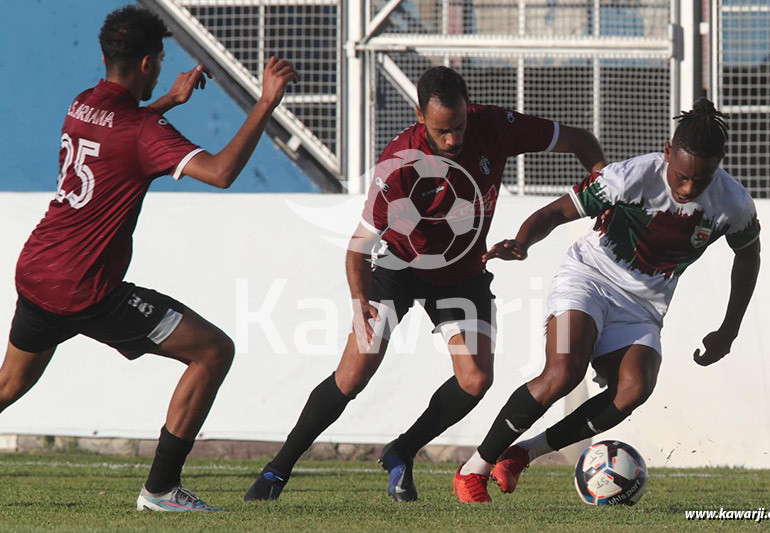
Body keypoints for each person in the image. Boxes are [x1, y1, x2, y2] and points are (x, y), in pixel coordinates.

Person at [244, 66, 607, 502]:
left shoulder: (495, 126)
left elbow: (581, 140)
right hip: (398, 267)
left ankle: (402, 450)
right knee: (354, 372)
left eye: (459, 127)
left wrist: (606, 193)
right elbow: (357, 248)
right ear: (419, 116)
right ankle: (276, 470)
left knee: (475, 379)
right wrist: (360, 303)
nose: (453, 139)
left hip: (462, 272)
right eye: (442, 131)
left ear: (469, 109)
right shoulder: (398, 164)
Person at [0, 5, 297, 512]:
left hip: (38, 270)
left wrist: (169, 101)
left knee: (8, 384)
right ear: (146, 63)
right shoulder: (141, 130)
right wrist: (265, 104)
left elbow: (123, 132)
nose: (161, 68)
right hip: (86, 287)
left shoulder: (83, 103)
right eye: (159, 60)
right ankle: (161, 491)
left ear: (104, 56)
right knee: (212, 352)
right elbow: (221, 172)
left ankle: (163, 490)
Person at [452, 98, 761, 503]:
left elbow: (749, 256)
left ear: (718, 165)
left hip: (644, 308)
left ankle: (524, 452)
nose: (688, 189)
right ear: (667, 153)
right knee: (563, 372)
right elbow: (557, 212)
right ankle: (474, 469)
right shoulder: (630, 177)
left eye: (699, 181)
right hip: (588, 279)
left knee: (634, 388)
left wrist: (729, 330)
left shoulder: (733, 203)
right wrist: (522, 243)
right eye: (681, 176)